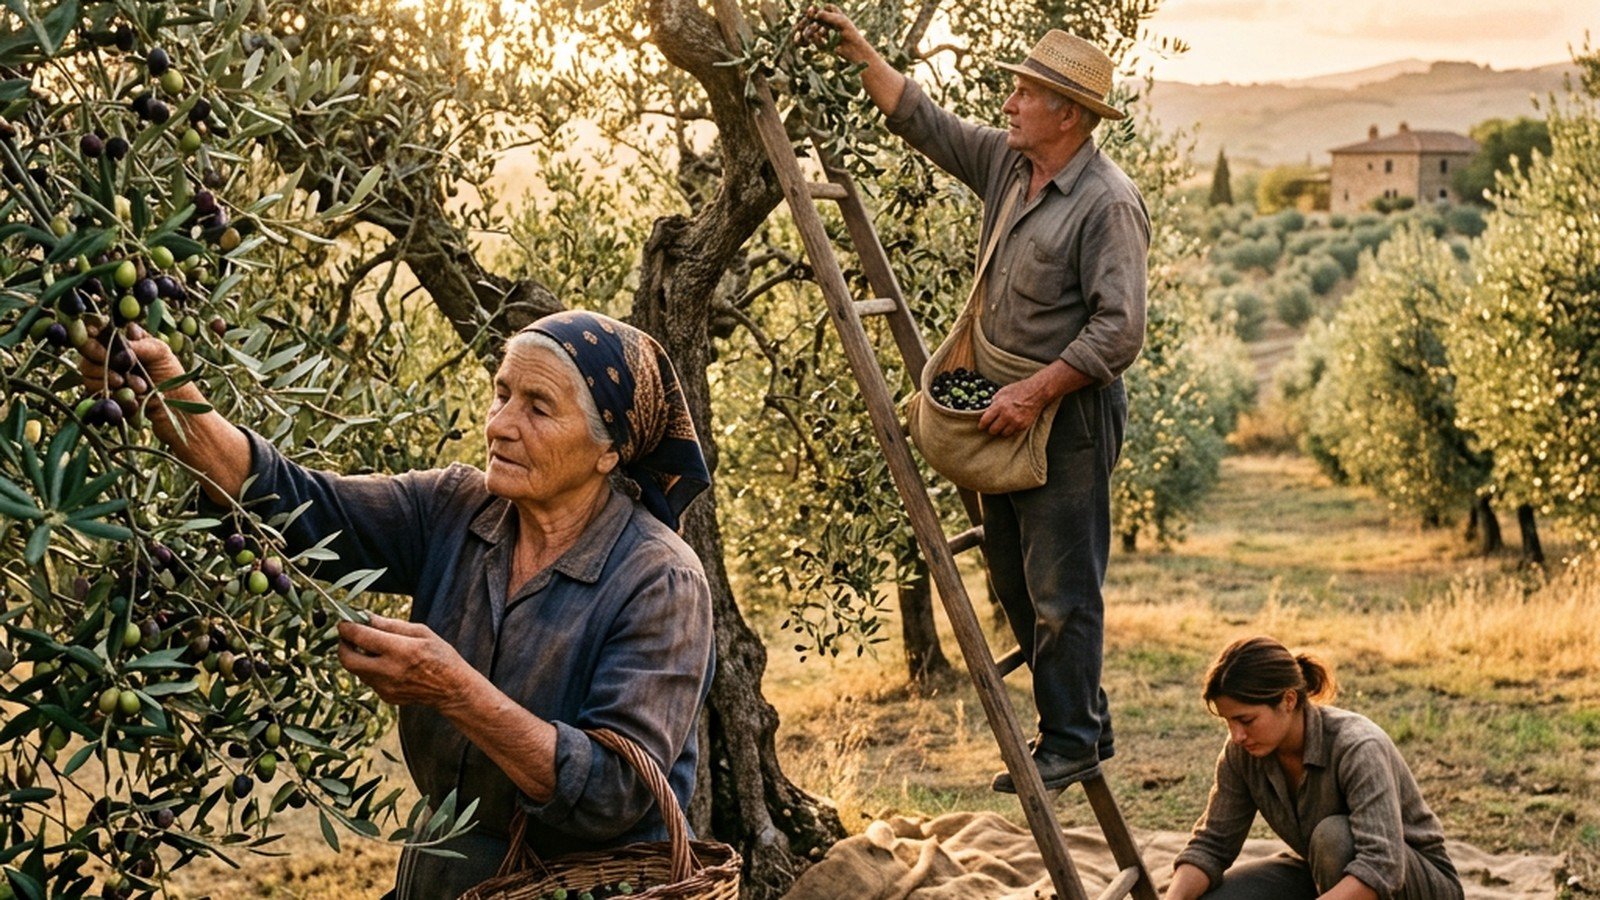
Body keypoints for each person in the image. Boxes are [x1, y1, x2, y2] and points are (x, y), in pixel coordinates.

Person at [78, 311, 717, 899]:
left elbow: (616, 791)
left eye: (539, 408)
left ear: (609, 449)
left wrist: (453, 690)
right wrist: (169, 398)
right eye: (501, 394)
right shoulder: (457, 509)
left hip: (583, 886)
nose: (499, 426)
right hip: (444, 875)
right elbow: (294, 502)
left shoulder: (660, 579)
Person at [799, 9, 1149, 790]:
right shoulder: (1007, 164)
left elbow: (1120, 331)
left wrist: (1033, 393)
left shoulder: (1106, 203)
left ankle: (1070, 740)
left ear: (1069, 113)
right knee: (1010, 576)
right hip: (1006, 405)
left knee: (1063, 590)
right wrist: (862, 53)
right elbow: (923, 121)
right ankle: (1081, 717)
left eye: (1024, 92)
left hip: (1067, 419)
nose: (1009, 102)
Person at [1166, 636, 1464, 900]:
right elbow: (1212, 844)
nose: (1236, 735)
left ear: (1288, 700)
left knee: (1333, 837)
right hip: (1325, 872)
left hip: (1412, 884)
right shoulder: (1242, 752)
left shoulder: (1358, 747)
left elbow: (1382, 866)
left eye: (1246, 720)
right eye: (1228, 722)